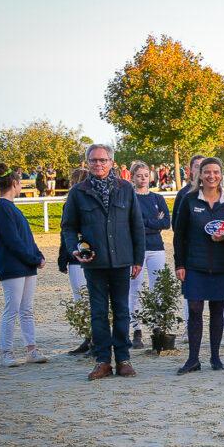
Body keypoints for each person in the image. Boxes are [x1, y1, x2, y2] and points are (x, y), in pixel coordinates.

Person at [61, 143, 145, 380]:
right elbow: (68, 227)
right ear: (87, 163)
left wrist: (138, 258)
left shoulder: (126, 189)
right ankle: (102, 361)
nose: (98, 164)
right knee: (98, 313)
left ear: (112, 162)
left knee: (121, 311)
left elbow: (136, 225)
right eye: (93, 160)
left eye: (102, 160)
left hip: (121, 261)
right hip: (94, 263)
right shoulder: (78, 192)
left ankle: (123, 359)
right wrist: (75, 248)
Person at [173, 157, 224, 374]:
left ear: (221, 175)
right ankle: (193, 359)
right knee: (194, 309)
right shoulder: (189, 200)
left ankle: (215, 356)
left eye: (216, 172)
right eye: (207, 172)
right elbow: (179, 234)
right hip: (195, 263)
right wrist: (180, 264)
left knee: (218, 309)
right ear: (199, 175)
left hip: (222, 263)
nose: (212, 176)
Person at [0, 163, 48, 367]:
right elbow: (12, 240)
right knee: (12, 309)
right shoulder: (2, 208)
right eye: (20, 183)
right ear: (15, 183)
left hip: (26, 265)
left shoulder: (12, 208)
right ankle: (6, 352)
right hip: (12, 266)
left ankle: (31, 349)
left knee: (27, 309)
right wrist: (33, 258)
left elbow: (27, 238)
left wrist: (38, 254)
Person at [127, 161, 171, 349]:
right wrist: (153, 221)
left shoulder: (158, 198)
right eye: (139, 175)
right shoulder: (130, 198)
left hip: (156, 248)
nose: (143, 179)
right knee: (135, 289)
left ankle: (157, 325)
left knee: (157, 287)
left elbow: (166, 222)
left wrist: (146, 223)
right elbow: (131, 224)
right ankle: (136, 329)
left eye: (146, 175)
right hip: (135, 249)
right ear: (133, 177)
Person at [58, 167, 92, 355]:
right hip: (78, 256)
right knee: (83, 299)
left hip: (79, 257)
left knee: (83, 299)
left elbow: (66, 233)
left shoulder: (73, 204)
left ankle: (91, 338)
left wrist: (63, 257)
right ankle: (89, 337)